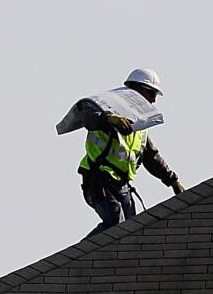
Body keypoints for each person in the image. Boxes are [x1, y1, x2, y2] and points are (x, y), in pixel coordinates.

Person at [77, 68, 184, 236]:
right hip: (98, 179)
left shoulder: (140, 126)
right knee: (115, 226)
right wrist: (108, 118)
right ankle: (80, 259)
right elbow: (89, 118)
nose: (153, 100)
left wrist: (172, 181)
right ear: (136, 89)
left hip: (121, 185)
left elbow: (151, 157)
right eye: (151, 93)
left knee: (131, 231)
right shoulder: (108, 108)